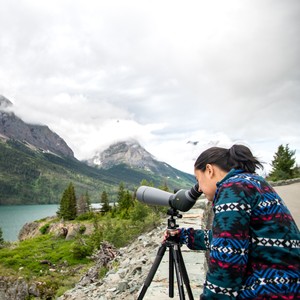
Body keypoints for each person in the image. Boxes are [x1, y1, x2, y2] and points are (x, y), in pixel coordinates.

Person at [166, 144, 300, 299]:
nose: (200, 189)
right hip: (287, 285)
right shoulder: (253, 182)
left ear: (209, 170)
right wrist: (185, 236)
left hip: (269, 290)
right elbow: (231, 239)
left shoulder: (232, 188)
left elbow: (227, 257)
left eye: (198, 180)